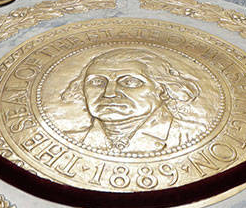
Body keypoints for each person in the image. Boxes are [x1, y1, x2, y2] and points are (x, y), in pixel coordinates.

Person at [59, 49, 207, 152]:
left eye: (130, 82)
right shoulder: (66, 141)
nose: (109, 93)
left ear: (162, 90)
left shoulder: (196, 136)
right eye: (97, 82)